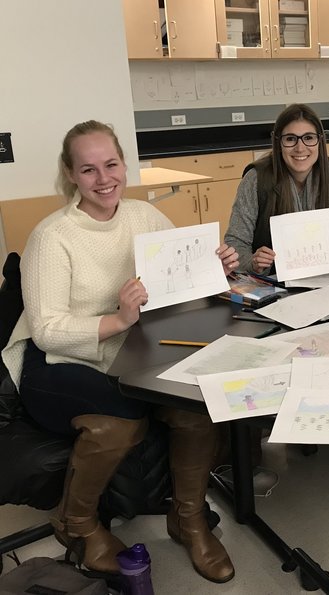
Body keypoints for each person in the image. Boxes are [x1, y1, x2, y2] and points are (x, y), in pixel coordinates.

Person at [0, 121, 239, 583]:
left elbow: (181, 273)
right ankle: (79, 526)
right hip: (57, 361)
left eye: (111, 164)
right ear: (70, 174)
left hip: (131, 350)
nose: (103, 178)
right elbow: (48, 331)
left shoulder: (143, 216)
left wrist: (217, 267)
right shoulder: (52, 237)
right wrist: (117, 320)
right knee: (119, 419)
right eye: (88, 169)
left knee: (195, 406)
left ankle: (187, 520)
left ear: (124, 165)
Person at [224, 103, 329, 273]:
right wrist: (253, 262)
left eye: (308, 137)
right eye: (290, 139)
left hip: (317, 275)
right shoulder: (257, 178)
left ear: (320, 140)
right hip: (269, 281)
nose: (300, 148)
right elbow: (235, 243)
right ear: (278, 143)